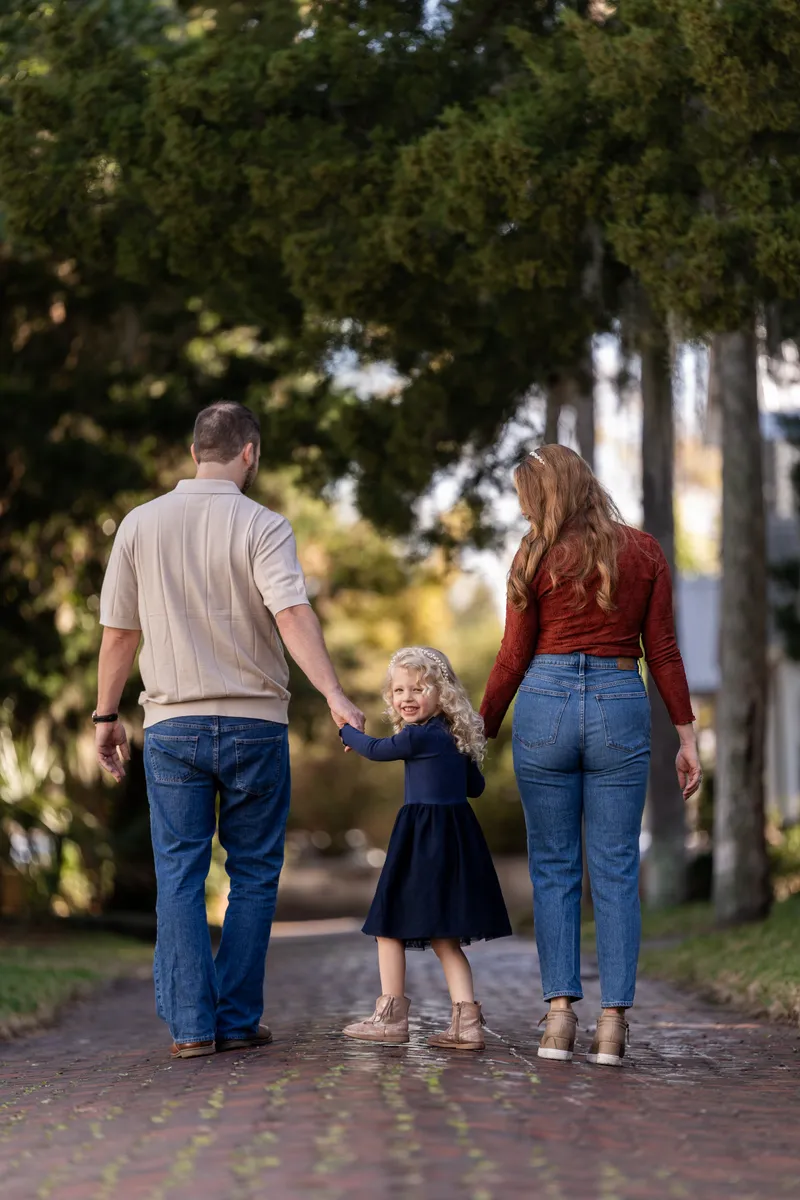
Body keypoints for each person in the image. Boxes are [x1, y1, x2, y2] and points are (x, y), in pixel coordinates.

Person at [95, 400, 364, 1060]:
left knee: (180, 875)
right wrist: (333, 692)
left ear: (195, 452)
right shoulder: (263, 525)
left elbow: (119, 635)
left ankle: (191, 1026)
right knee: (252, 874)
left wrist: (106, 716)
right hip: (254, 724)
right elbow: (292, 613)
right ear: (250, 453)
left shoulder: (139, 524)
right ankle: (237, 1018)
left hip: (172, 727)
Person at [480, 445, 701, 1068]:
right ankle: (612, 1026)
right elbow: (662, 650)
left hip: (545, 704)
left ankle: (557, 1020)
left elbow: (510, 658)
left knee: (553, 868)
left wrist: (480, 731)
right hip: (617, 703)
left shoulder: (532, 554)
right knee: (615, 870)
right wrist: (687, 735)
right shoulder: (644, 550)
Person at [338, 647, 511, 1051]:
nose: (407, 697)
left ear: (442, 692)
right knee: (445, 938)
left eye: (418, 688)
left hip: (422, 841)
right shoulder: (451, 738)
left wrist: (346, 732)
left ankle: (391, 1018)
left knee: (387, 926)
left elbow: (377, 750)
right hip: (456, 842)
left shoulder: (418, 736)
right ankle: (466, 1024)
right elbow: (476, 788)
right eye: (399, 690)